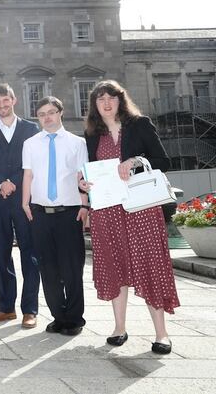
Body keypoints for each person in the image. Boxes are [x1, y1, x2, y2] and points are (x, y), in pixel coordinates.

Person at [81, 80, 179, 354]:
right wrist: (84, 183)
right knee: (116, 266)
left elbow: (163, 162)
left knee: (150, 265)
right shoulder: (91, 135)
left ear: (120, 100)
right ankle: (119, 328)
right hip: (108, 212)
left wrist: (135, 162)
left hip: (141, 210)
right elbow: (89, 172)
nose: (106, 102)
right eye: (100, 99)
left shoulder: (140, 124)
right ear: (95, 106)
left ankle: (161, 333)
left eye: (111, 97)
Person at [21, 96, 88, 336]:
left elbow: (83, 176)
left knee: (71, 269)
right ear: (37, 118)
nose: (47, 117)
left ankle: (74, 318)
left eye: (51, 112)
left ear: (60, 112)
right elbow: (28, 175)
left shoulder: (77, 143)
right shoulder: (30, 143)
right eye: (42, 114)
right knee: (48, 270)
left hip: (69, 212)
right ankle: (59, 316)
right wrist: (24, 203)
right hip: (40, 213)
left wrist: (85, 206)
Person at [0, 83, 41, 329]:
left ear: (13, 100)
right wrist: (0, 183)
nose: (2, 105)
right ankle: (6, 308)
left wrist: (13, 182)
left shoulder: (30, 128)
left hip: (24, 200)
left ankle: (30, 310)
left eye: (5, 100)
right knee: (1, 254)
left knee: (29, 253)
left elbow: (32, 162)